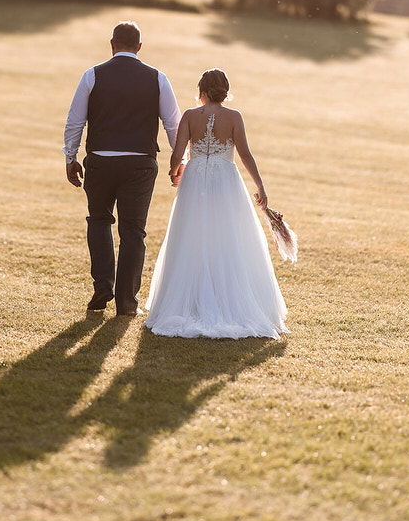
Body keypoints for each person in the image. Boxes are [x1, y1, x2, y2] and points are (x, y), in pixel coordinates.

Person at [144, 69, 290, 339]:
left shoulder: (190, 116)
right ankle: (230, 302)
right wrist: (260, 186)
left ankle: (191, 301)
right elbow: (244, 154)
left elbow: (177, 154)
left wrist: (175, 171)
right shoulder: (234, 117)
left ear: (202, 90)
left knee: (192, 236)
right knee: (227, 236)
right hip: (226, 181)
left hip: (195, 182)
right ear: (224, 90)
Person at [64, 22, 182, 316]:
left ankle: (103, 284)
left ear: (112, 44)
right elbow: (173, 125)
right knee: (133, 232)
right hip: (139, 164)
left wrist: (70, 156)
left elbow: (75, 120)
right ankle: (127, 303)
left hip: (100, 161)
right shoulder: (157, 78)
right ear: (139, 47)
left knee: (99, 220)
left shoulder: (92, 75)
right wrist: (178, 162)